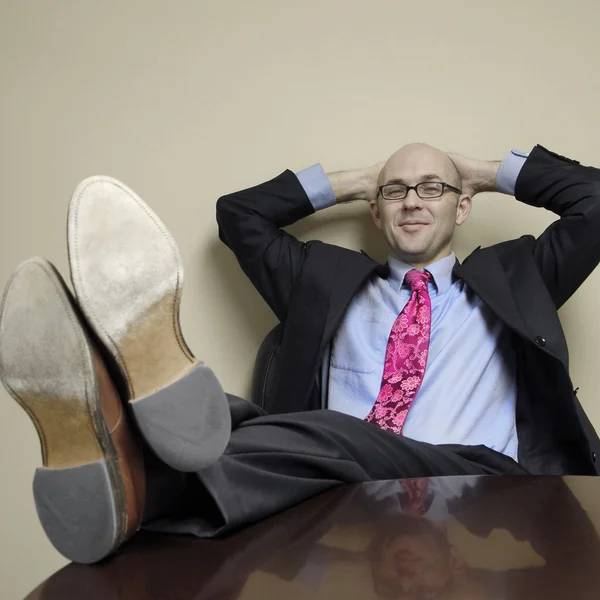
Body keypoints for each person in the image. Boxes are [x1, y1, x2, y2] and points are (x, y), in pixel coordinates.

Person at [0, 143, 599, 566]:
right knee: (229, 418)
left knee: (319, 432)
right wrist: (357, 179)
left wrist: (489, 171)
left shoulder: (519, 277)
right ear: (375, 209)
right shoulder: (323, 280)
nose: (412, 202)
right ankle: (128, 468)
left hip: (477, 481)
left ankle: (131, 444)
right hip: (337, 479)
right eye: (396, 191)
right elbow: (240, 215)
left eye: (433, 189)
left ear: (461, 206)